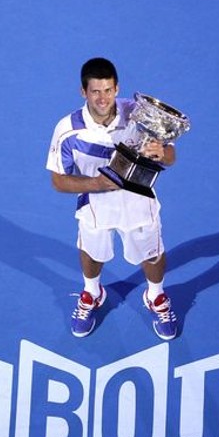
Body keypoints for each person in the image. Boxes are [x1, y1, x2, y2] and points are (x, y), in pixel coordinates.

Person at [46, 57, 179, 340]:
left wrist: (162, 153)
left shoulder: (140, 115)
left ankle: (155, 296)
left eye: (108, 90)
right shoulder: (67, 130)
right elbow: (58, 180)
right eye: (95, 91)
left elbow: (170, 155)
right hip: (95, 205)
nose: (102, 98)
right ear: (83, 92)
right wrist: (95, 183)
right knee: (92, 252)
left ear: (117, 88)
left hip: (139, 202)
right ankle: (92, 292)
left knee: (152, 255)